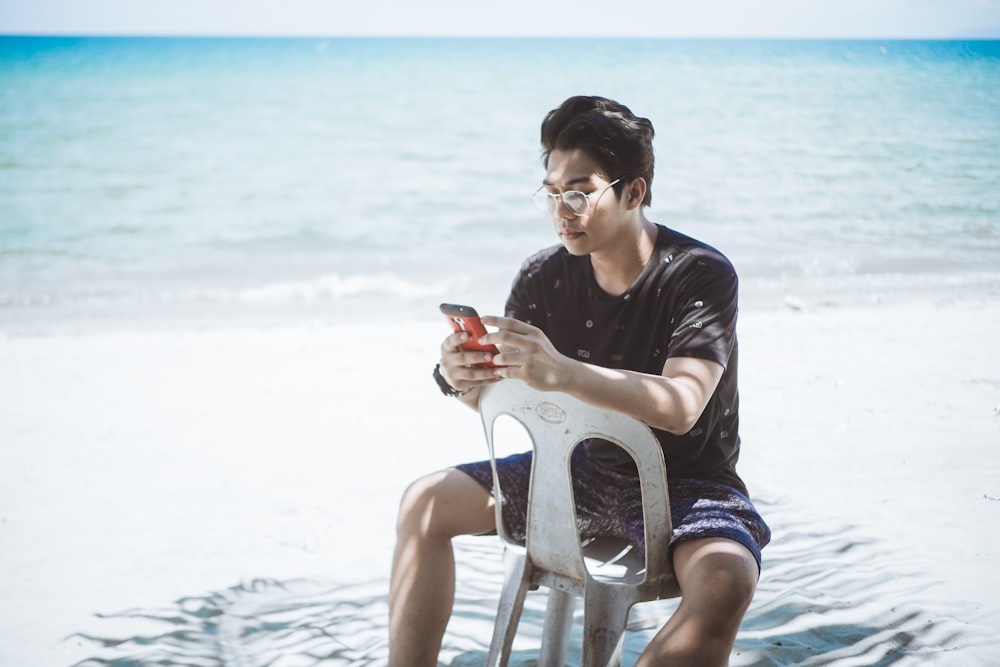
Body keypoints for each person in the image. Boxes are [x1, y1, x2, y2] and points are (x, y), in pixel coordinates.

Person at [389, 95, 770, 666]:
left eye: (578, 192)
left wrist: (564, 371)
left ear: (634, 192)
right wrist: (463, 379)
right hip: (574, 470)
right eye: (550, 193)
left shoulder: (700, 275)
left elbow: (683, 404)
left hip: (685, 484)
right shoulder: (545, 274)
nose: (561, 210)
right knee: (422, 502)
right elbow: (505, 394)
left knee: (728, 579)